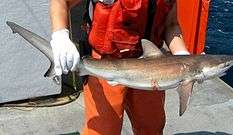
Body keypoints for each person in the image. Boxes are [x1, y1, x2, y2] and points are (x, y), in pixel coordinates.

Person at [50, 0, 190, 134]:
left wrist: (183, 56)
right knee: (103, 130)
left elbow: (171, 24)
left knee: (152, 127)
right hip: (106, 65)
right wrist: (60, 36)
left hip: (152, 66)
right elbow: (61, 1)